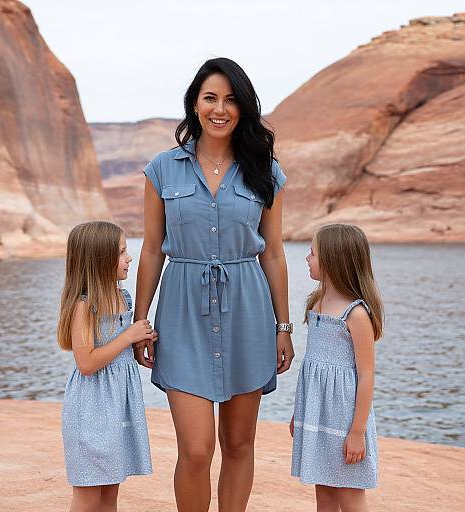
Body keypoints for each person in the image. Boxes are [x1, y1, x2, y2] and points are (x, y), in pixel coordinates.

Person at [133, 57, 294, 512]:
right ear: (194, 104)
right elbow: (150, 250)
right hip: (182, 312)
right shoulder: (163, 169)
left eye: (230, 99)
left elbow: (274, 253)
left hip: (249, 311)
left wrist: (284, 327)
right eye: (210, 98)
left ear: (243, 108)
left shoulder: (266, 171)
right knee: (197, 448)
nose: (219, 109)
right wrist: (140, 321)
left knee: (240, 444)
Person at [58, 221, 154, 512]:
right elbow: (86, 363)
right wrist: (128, 336)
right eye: (122, 252)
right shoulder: (84, 306)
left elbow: (120, 344)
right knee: (88, 496)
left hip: (117, 409)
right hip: (90, 410)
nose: (130, 258)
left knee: (110, 493)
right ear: (99, 260)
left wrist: (141, 339)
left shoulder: (122, 297)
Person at [290, 224, 384, 512]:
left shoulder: (355, 313)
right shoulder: (317, 303)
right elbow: (314, 369)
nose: (307, 258)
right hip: (318, 415)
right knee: (325, 494)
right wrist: (300, 413)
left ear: (333, 260)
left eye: (313, 253)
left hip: (345, 419)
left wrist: (357, 432)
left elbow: (366, 375)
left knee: (351, 497)